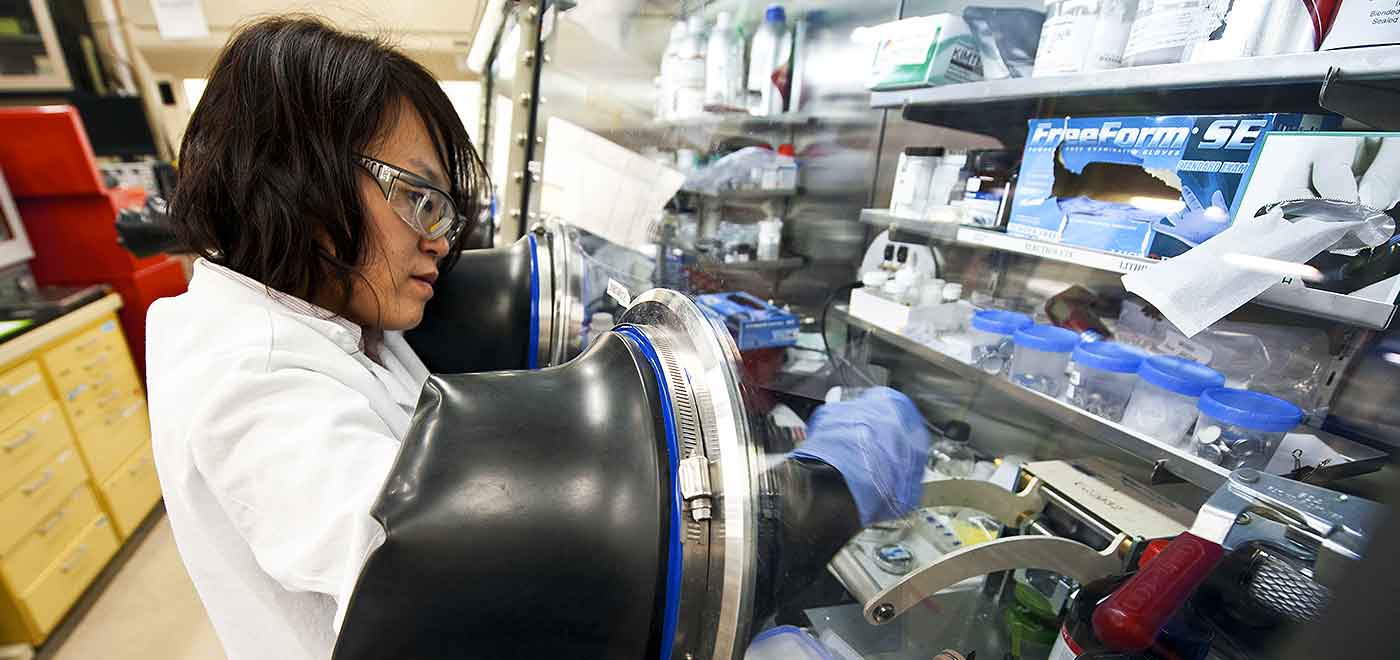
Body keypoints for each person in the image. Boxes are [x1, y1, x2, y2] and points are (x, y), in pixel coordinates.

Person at [148, 16, 927, 660]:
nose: (442, 243)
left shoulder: (325, 312)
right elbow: (441, 568)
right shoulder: (251, 379)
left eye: (447, 212)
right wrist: (793, 504)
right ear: (297, 176)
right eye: (419, 199)